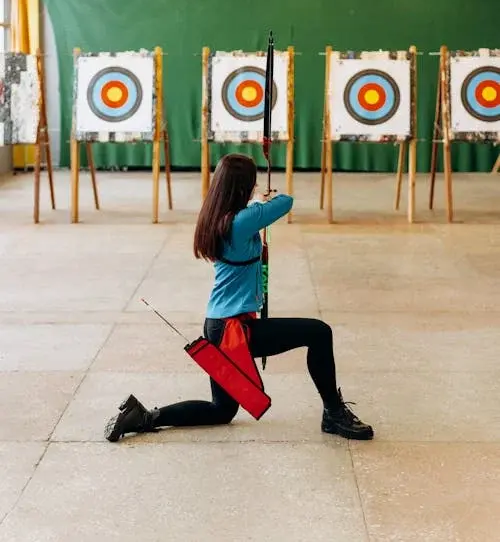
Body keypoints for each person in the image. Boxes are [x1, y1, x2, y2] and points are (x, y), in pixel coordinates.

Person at [105, 154, 374, 442]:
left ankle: (144, 416)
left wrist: (256, 201)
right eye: (252, 182)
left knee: (222, 410)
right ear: (242, 187)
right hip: (234, 331)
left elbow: (256, 213)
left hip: (216, 325)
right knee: (319, 332)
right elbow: (286, 202)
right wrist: (261, 199)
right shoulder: (241, 222)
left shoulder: (215, 217)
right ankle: (334, 414)